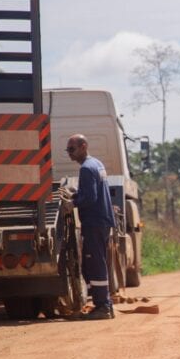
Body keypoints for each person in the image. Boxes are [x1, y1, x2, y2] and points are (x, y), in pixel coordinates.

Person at [66, 134, 115, 320]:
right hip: (101, 221)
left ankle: (103, 306)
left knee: (94, 264)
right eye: (68, 150)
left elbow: (91, 197)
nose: (69, 154)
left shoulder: (86, 169)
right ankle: (103, 304)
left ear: (83, 146)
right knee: (94, 263)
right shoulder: (97, 164)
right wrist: (76, 194)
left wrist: (73, 203)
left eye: (72, 149)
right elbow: (91, 192)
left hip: (94, 222)